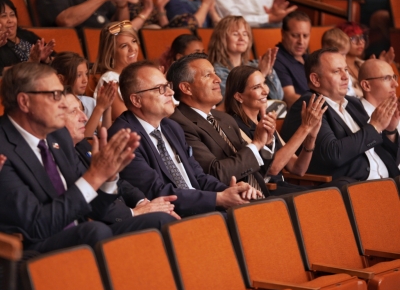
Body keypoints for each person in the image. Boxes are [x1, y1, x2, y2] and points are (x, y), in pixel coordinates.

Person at [0, 62, 176, 253]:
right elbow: (37, 226)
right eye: (55, 96)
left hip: (82, 231)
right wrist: (94, 176)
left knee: (162, 220)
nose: (63, 104)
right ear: (24, 102)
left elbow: (96, 209)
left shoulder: (59, 137)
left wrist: (108, 178)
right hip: (34, 248)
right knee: (94, 231)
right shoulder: (4, 147)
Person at [108, 60, 261, 217]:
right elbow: (157, 191)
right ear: (136, 100)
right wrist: (218, 198)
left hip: (201, 208)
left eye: (168, 86)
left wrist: (228, 191)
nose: (170, 93)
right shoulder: (123, 137)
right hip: (171, 216)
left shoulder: (171, 127)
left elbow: (198, 176)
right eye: (161, 89)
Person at [280, 48, 400, 181]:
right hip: (353, 189)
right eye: (337, 71)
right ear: (315, 79)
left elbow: (389, 156)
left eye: (346, 70)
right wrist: (375, 126)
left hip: (389, 182)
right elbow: (333, 154)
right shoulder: (310, 105)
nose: (345, 77)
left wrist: (390, 132)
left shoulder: (354, 103)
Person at [63, 91, 180, 223]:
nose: (84, 117)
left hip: (122, 212)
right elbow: (87, 206)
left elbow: (119, 182)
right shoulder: (58, 157)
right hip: (106, 224)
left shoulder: (82, 145)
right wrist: (134, 213)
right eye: (73, 111)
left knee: (166, 214)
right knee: (162, 219)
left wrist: (142, 201)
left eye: (82, 109)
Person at [168, 53, 273, 196]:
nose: (217, 80)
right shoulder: (179, 124)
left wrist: (266, 142)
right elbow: (215, 173)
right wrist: (257, 144)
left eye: (215, 74)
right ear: (186, 88)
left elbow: (255, 168)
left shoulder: (224, 118)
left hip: (260, 194)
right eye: (207, 75)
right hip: (227, 202)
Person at [224, 65, 327, 192]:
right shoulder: (234, 125)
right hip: (267, 192)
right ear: (239, 96)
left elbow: (298, 168)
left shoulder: (263, 119)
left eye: (264, 83)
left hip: (283, 188)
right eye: (256, 87)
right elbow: (272, 169)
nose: (266, 91)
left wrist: (311, 136)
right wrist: (304, 127)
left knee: (342, 184)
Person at [207, 16, 283, 101]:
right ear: (221, 38)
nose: (242, 38)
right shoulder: (216, 70)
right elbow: (233, 101)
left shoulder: (256, 65)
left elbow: (278, 98)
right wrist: (262, 75)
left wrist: (269, 72)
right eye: (235, 34)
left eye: (245, 34)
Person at [51, 51, 116, 137]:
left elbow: (105, 135)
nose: (85, 80)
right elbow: (82, 142)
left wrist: (107, 106)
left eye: (86, 74)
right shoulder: (60, 106)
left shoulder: (91, 102)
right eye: (78, 75)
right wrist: (99, 108)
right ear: (61, 79)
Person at [93, 20, 141, 120]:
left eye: (134, 41)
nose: (132, 49)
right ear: (111, 53)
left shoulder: (139, 75)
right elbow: (125, 120)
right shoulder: (110, 80)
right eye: (124, 46)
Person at [336, 21, 395, 99]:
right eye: (353, 38)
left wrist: (380, 69)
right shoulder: (338, 70)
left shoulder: (364, 63)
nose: (360, 42)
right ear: (341, 41)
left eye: (362, 37)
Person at [0, 0, 55, 74]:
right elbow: (2, 73)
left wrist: (46, 59)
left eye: (12, 15)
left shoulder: (26, 34)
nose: (10, 20)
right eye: (3, 16)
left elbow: (56, 58)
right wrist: (29, 64)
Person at [37, 0, 134, 29]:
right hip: (75, 48)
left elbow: (123, 27)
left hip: (108, 44)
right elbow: (66, 21)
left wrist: (122, 5)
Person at [274, 11, 311, 108]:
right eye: (295, 35)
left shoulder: (309, 58)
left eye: (305, 36)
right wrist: (323, 105)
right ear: (283, 34)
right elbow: (289, 98)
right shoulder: (276, 59)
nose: (301, 42)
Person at [359, 59, 400, 133]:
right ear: (366, 85)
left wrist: (391, 131)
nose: (396, 84)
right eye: (387, 78)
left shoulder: (395, 112)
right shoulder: (357, 115)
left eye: (394, 77)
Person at [214, 0, 297, 28]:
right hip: (240, 37)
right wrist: (269, 18)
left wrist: (275, 14)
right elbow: (234, 20)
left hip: (268, 33)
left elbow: (274, 15)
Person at [321, 27, 360, 98]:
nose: (344, 58)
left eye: (345, 54)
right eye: (341, 54)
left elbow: (350, 88)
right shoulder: (325, 72)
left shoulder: (343, 70)